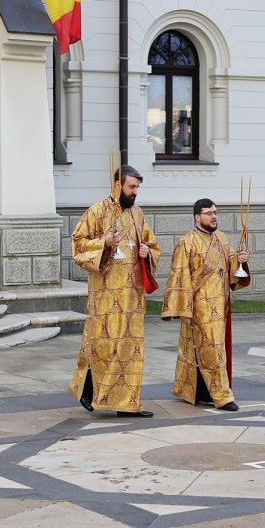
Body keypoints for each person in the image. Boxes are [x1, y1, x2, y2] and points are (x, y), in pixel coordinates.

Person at [69, 166, 160, 417]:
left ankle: (127, 402)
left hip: (132, 295)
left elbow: (152, 244)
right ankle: (88, 391)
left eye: (137, 188)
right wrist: (104, 243)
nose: (135, 192)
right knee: (103, 346)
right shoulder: (97, 211)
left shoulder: (137, 214)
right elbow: (77, 245)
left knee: (129, 348)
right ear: (118, 185)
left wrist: (147, 253)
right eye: (132, 187)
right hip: (105, 293)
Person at [162, 199, 249, 411]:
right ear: (197, 217)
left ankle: (198, 390)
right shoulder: (186, 242)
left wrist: (241, 260)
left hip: (221, 304)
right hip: (199, 306)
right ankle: (222, 396)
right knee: (210, 349)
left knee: (214, 348)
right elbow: (179, 276)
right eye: (208, 213)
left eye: (215, 212)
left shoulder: (222, 239)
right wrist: (183, 308)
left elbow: (230, 269)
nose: (213, 216)